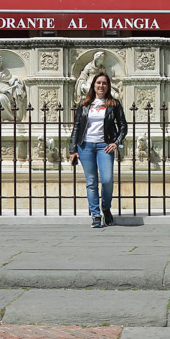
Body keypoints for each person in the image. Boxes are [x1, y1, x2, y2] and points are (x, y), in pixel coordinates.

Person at [67, 72, 128, 228]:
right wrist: (72, 149)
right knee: (91, 182)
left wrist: (116, 142)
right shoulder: (84, 103)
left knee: (107, 180)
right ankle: (95, 215)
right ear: (93, 85)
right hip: (85, 146)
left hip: (104, 146)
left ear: (108, 86)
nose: (101, 86)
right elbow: (77, 127)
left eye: (104, 83)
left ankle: (106, 208)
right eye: (98, 83)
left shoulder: (113, 103)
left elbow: (123, 126)